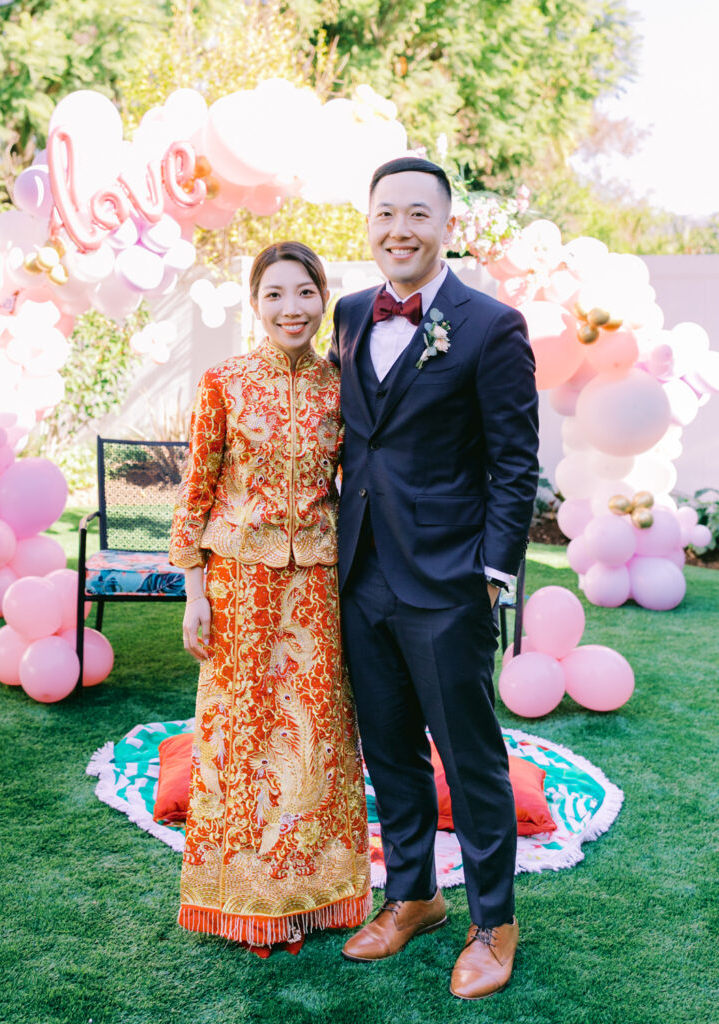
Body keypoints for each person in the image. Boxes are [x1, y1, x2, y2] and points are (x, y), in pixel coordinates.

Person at [329, 157, 539, 998]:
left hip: (450, 584)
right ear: (369, 222)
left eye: (418, 213)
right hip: (361, 576)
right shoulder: (349, 314)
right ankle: (413, 895)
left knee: (471, 760)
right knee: (389, 751)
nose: (400, 229)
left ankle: (494, 923)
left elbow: (515, 465)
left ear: (447, 225)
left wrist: (490, 576)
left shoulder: (492, 326)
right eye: (386, 213)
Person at [169, 241, 371, 956]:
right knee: (242, 737)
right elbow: (195, 490)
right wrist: (195, 592)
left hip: (316, 587)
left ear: (324, 298)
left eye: (305, 292)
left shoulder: (342, 387)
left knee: (314, 739)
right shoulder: (223, 382)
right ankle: (244, 899)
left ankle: (309, 895)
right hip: (238, 586)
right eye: (276, 294)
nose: (292, 308)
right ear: (255, 302)